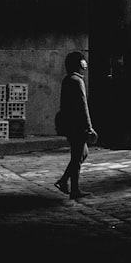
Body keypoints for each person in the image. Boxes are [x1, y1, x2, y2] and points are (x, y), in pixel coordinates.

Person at [54, 50, 97, 200]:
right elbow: (83, 106)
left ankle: (64, 181)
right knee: (78, 156)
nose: (85, 64)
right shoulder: (77, 81)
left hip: (69, 124)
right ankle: (74, 189)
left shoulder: (68, 79)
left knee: (81, 154)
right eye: (83, 61)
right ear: (79, 64)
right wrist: (89, 127)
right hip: (77, 126)